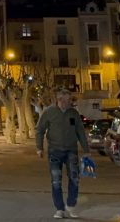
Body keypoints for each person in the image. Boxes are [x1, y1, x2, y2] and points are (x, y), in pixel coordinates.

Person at [35, 89, 90, 219]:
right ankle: (59, 209)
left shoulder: (73, 113)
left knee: (74, 178)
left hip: (71, 150)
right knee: (56, 181)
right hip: (54, 151)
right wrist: (39, 148)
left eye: (70, 100)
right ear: (59, 100)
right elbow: (40, 130)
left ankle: (71, 205)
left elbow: (80, 131)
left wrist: (86, 150)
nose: (70, 102)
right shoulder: (49, 112)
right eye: (67, 100)